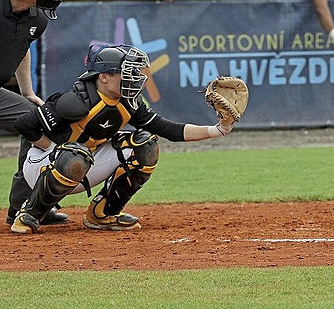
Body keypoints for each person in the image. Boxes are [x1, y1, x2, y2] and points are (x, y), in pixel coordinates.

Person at [10, 44, 236, 234]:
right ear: (104, 77)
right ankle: (30, 213)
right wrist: (53, 149)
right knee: (74, 154)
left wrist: (219, 129)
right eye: (126, 72)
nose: (135, 78)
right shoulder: (76, 102)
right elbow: (24, 124)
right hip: (45, 167)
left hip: (85, 164)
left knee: (145, 143)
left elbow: (168, 130)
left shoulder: (128, 102)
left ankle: (102, 214)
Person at [1, 0, 69, 226]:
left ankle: (26, 206)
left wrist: (27, 90)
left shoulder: (37, 18)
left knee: (35, 119)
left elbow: (22, 47)